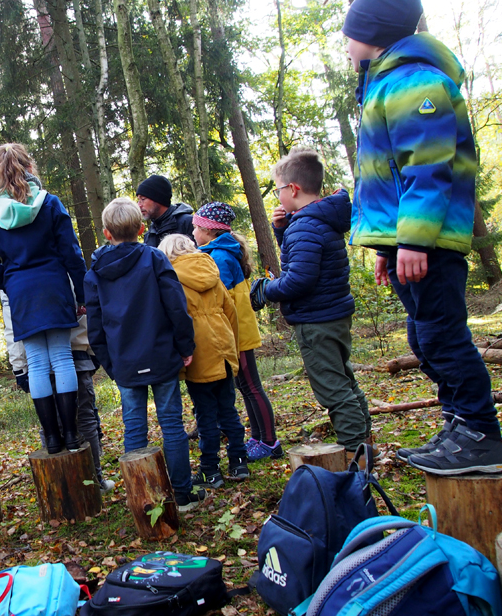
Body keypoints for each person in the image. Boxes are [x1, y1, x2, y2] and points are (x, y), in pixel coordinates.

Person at [343, 0, 502, 474]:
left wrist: (413, 240)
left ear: (372, 33)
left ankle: (481, 434)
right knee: (423, 337)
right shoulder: (387, 84)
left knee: (442, 336)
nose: (346, 45)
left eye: (350, 34)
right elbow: (389, 178)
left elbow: (427, 169)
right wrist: (387, 248)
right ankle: (460, 425)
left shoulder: (416, 83)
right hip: (409, 243)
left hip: (430, 242)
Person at [85, 198, 205, 511]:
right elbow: (176, 306)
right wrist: (185, 346)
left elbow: (94, 329)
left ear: (106, 233)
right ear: (141, 228)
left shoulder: (95, 271)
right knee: (171, 424)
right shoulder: (154, 259)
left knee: (134, 427)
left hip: (127, 362)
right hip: (161, 356)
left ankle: (143, 498)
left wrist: (111, 365)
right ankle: (182, 494)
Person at [252, 149, 371, 458]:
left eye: (278, 189)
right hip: (333, 314)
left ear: (293, 189)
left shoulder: (305, 225)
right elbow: (300, 259)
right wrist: (281, 230)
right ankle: (365, 446)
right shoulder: (314, 220)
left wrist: (266, 289)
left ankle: (356, 457)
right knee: (344, 381)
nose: (278, 196)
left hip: (317, 320)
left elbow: (299, 280)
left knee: (333, 389)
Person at [0, 143, 87, 454]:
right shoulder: (50, 204)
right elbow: (72, 253)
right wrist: (81, 293)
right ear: (30, 167)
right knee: (62, 357)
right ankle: (71, 436)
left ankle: (52, 439)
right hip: (53, 286)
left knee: (37, 363)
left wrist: (10, 283)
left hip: (22, 292)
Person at [193, 203, 282, 461]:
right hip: (237, 331)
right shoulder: (220, 251)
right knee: (245, 385)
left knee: (252, 386)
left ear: (209, 231)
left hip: (237, 333)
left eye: (196, 228)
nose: (194, 233)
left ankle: (269, 441)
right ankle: (258, 437)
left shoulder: (219, 257)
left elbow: (219, 301)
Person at [1, 291, 115, 493]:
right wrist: (94, 350)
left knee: (51, 425)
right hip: (75, 351)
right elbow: (87, 308)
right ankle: (94, 482)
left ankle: (61, 490)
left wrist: (19, 367)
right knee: (85, 419)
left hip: (38, 363)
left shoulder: (11, 272)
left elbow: (12, 327)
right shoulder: (64, 261)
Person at [159, 234, 249, 484]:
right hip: (223, 351)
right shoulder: (211, 269)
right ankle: (239, 462)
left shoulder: (171, 279)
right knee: (229, 411)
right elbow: (230, 312)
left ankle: (210, 469)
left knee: (206, 415)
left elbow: (175, 320)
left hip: (198, 354)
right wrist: (234, 350)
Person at [135, 174, 195, 248]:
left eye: (143, 199)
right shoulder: (150, 234)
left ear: (158, 199)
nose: (139, 205)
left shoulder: (188, 223)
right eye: (139, 200)